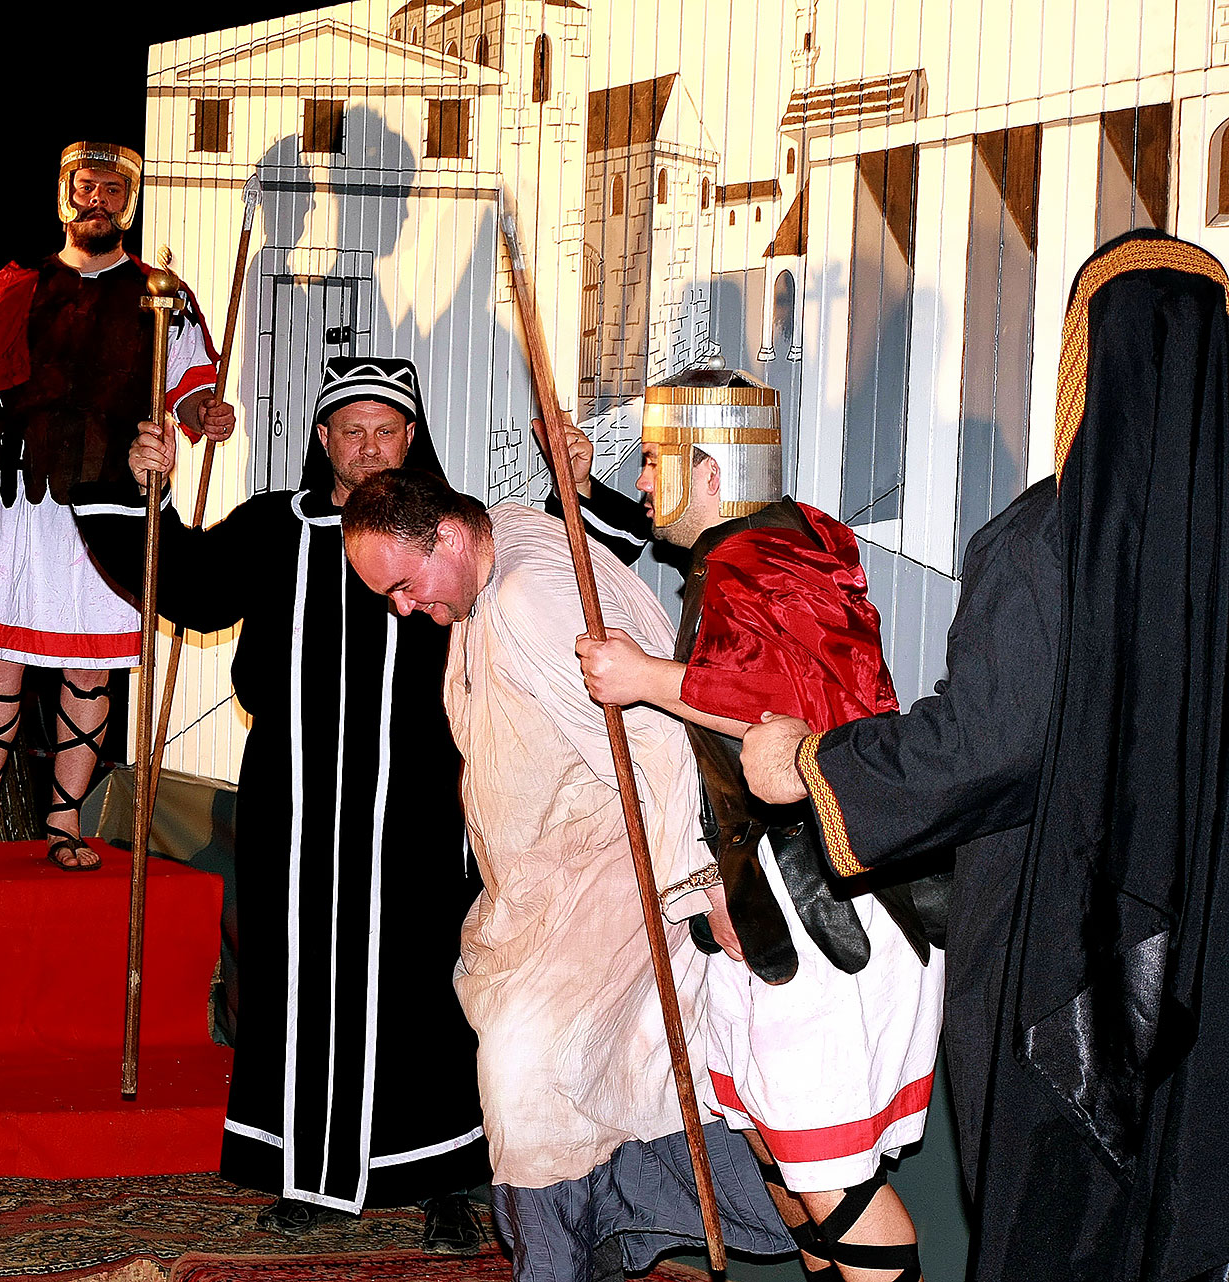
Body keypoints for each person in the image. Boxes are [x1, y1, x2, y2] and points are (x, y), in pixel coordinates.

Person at [741, 230, 1229, 1282]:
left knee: (1065, 1225)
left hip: (1072, 968)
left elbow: (986, 743)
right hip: (1205, 963)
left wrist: (812, 764)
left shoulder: (1055, 538)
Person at [76, 357, 497, 1251]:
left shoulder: (453, 532)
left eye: (386, 431)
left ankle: (445, 1182)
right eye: (353, 431)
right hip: (295, 800)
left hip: (419, 803)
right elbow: (188, 586)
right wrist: (146, 493)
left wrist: (581, 493)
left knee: (426, 987)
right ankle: (308, 1173)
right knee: (296, 981)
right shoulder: (275, 526)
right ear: (323, 438)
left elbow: (534, 589)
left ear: (412, 438)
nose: (370, 447)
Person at [342, 468, 792, 1281]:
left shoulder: (528, 599)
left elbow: (653, 741)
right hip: (544, 889)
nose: (402, 608)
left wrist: (697, 885)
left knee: (526, 1079)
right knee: (578, 1083)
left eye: (404, 585)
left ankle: (564, 1265)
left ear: (450, 536)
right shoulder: (499, 538)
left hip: (609, 878)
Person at [576, 367, 944, 1282]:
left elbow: (791, 717)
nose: (644, 482)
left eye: (657, 461)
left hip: (826, 892)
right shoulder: (765, 548)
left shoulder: (760, 562)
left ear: (709, 470)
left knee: (830, 1176)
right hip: (772, 886)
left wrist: (644, 678)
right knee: (783, 1160)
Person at [0, 140, 230, 870]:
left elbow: (189, 383)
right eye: (85, 186)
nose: (98, 200)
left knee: (90, 668)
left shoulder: (161, 293)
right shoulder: (20, 286)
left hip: (115, 499)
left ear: (128, 203)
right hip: (23, 496)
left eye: (112, 190)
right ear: (64, 196)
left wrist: (205, 412)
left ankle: (65, 822)